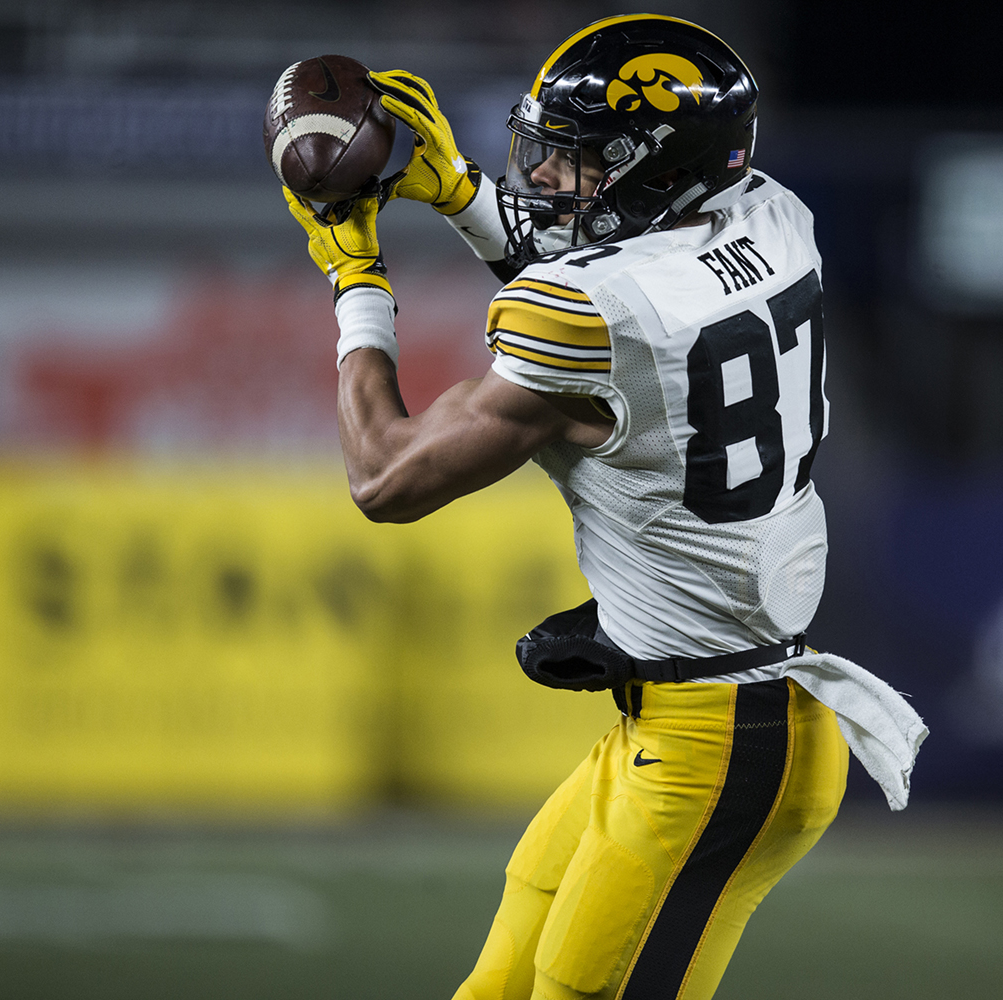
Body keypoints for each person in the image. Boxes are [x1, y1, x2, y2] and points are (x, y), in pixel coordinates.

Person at [284, 15, 927, 1000]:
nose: (543, 181)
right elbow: (625, 321)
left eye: (577, 164)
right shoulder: (772, 219)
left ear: (660, 173)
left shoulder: (590, 312)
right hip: (697, 711)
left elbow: (385, 475)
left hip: (717, 748)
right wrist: (459, 197)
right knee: (496, 984)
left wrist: (353, 273)